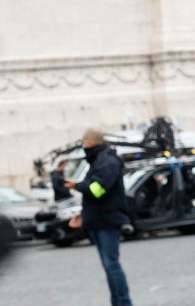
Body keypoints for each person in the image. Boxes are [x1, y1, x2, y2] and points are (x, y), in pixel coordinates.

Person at [64, 128, 133, 306]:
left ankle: (124, 302)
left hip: (108, 222)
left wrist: (77, 186)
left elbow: (98, 189)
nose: (83, 147)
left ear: (90, 143)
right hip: (101, 220)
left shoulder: (107, 161)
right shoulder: (100, 160)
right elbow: (99, 195)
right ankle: (118, 302)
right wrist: (82, 213)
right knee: (109, 266)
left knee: (112, 265)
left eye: (84, 143)